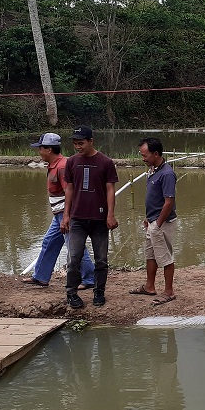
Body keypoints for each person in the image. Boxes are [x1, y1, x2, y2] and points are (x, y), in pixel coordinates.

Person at [22, 132, 96, 289]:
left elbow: (71, 192)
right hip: (59, 214)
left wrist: (67, 217)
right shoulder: (55, 165)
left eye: (40, 148)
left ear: (49, 149)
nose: (39, 152)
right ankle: (41, 276)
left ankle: (89, 279)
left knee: (75, 247)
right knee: (49, 243)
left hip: (66, 214)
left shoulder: (62, 167)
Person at [61, 126, 118, 308]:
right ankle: (71, 293)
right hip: (77, 218)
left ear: (91, 141)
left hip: (99, 219)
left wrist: (110, 214)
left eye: (81, 143)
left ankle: (99, 292)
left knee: (101, 259)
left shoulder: (105, 162)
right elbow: (69, 189)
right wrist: (66, 215)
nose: (78, 147)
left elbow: (110, 190)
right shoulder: (71, 162)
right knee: (74, 257)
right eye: (75, 144)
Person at [130, 137, 177, 305]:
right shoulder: (153, 170)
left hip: (162, 223)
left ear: (156, 154)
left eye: (145, 155)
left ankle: (169, 291)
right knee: (150, 255)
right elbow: (154, 199)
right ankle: (149, 286)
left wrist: (157, 224)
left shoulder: (167, 174)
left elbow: (168, 201)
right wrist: (148, 218)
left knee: (165, 257)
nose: (143, 159)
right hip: (153, 221)